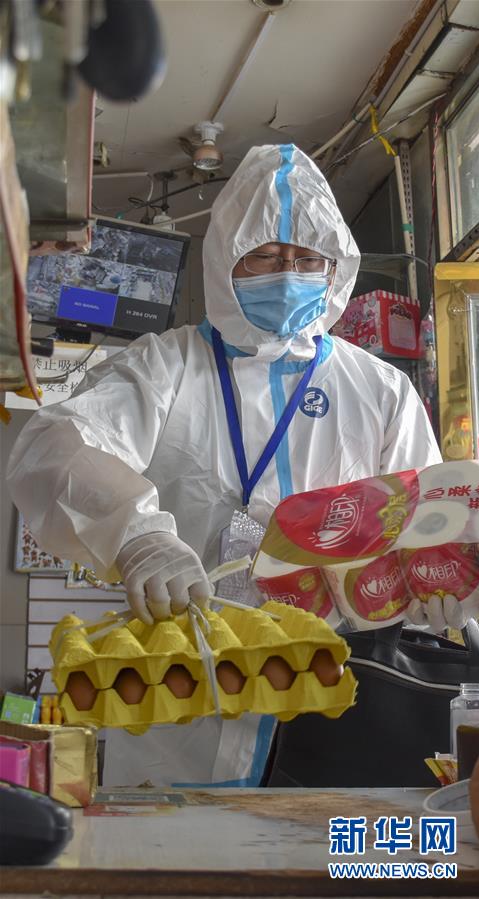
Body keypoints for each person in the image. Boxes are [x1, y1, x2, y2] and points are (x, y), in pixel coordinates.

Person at [8, 144, 446, 786]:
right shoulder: (164, 366)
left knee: (326, 842)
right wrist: (139, 537)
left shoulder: (380, 391)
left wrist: (436, 585)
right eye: (265, 255)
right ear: (224, 259)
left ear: (335, 268)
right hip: (181, 691)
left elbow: (423, 516)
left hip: (335, 693)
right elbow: (55, 444)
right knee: (186, 843)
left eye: (308, 258)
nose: (288, 272)